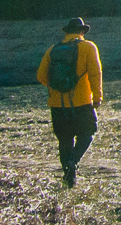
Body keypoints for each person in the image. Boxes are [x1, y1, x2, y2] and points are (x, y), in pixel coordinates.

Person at [36, 17, 104, 187]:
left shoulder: (52, 49)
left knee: (64, 139)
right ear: (82, 32)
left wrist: (59, 88)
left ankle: (69, 178)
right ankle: (73, 161)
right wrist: (97, 97)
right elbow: (95, 73)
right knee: (87, 134)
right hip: (81, 101)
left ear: (66, 32)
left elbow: (41, 76)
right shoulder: (89, 47)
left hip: (57, 104)